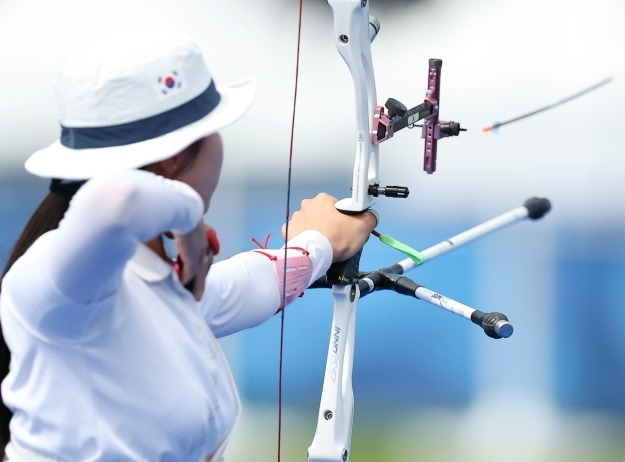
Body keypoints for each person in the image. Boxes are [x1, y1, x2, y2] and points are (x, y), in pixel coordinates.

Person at [0, 27, 376, 461]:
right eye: (213, 131)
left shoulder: (145, 278)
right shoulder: (57, 282)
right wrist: (190, 220)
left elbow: (233, 289)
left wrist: (319, 245)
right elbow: (114, 199)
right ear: (174, 159)